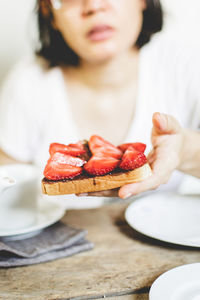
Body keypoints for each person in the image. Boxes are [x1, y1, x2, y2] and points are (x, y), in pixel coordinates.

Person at [0, 0, 199, 200]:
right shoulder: (28, 83)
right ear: (50, 13)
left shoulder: (186, 66)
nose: (94, 6)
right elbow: (6, 186)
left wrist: (185, 151)